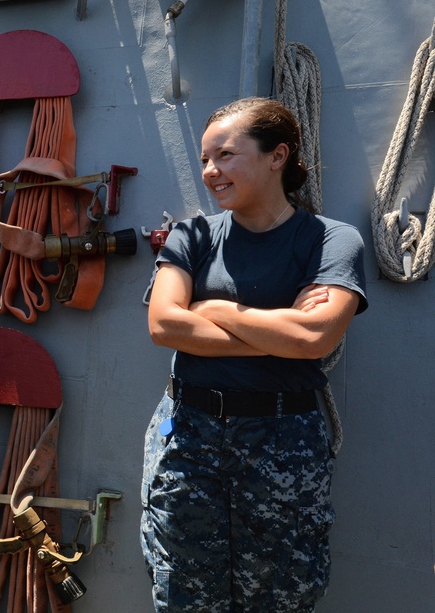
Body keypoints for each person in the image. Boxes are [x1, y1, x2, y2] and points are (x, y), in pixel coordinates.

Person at [140, 97, 368, 612]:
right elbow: (164, 324)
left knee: (280, 593)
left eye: (225, 155)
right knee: (182, 590)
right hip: (189, 440)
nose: (210, 171)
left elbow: (315, 338)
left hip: (282, 441)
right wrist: (278, 331)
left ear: (277, 155)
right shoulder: (192, 235)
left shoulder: (330, 241)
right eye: (204, 159)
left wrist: (217, 307)